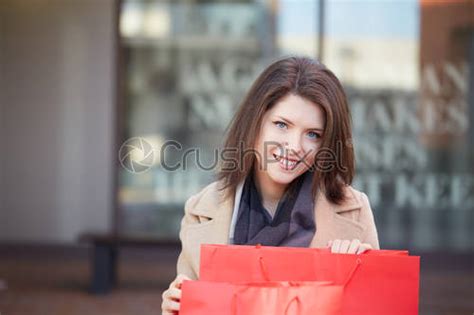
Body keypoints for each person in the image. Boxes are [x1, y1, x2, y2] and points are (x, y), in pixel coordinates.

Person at [161, 56, 379, 314]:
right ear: (255, 123)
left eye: (313, 134)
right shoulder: (202, 210)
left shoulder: (353, 211)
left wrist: (363, 272)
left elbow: (376, 307)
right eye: (281, 125)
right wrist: (174, 307)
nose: (295, 147)